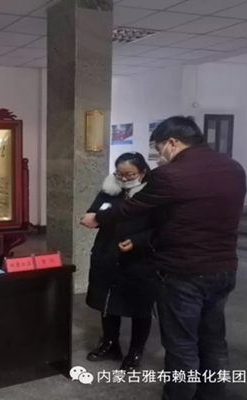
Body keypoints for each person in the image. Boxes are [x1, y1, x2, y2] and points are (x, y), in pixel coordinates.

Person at [80, 116, 246, 400]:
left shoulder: (171, 174)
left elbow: (133, 207)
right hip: (224, 268)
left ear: (173, 142)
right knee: (213, 340)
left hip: (183, 271)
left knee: (181, 344)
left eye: (159, 149)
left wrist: (98, 218)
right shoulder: (233, 168)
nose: (160, 156)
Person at [85, 152, 156, 372]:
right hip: (107, 251)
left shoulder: (153, 192)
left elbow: (162, 227)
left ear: (143, 172)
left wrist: (139, 241)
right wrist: (90, 217)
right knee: (107, 301)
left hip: (140, 257)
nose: (124, 179)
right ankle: (110, 343)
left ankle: (136, 351)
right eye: (119, 174)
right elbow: (94, 212)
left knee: (140, 305)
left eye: (129, 175)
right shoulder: (110, 188)